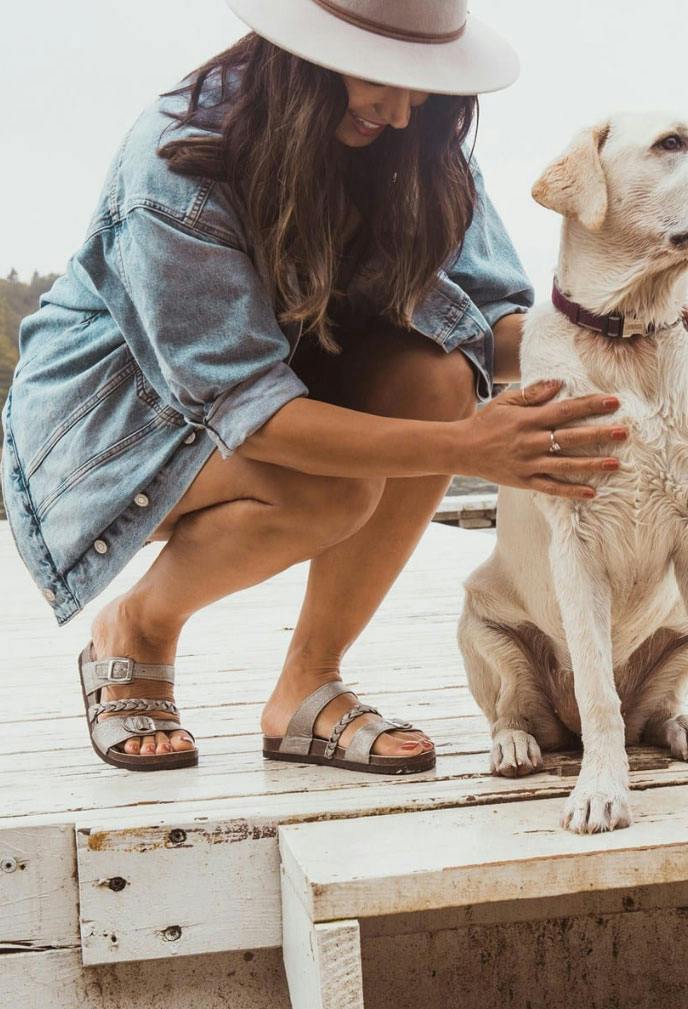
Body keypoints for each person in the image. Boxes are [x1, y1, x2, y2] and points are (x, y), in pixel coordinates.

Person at [0, 0, 628, 773]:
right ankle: (137, 627)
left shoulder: (421, 150)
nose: (402, 111)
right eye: (384, 77)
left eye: (423, 81)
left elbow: (491, 328)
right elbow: (251, 408)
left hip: (280, 389)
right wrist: (470, 447)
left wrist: (616, 326)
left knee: (439, 376)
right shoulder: (174, 162)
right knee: (330, 492)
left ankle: (307, 686)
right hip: (111, 422)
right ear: (305, 54)